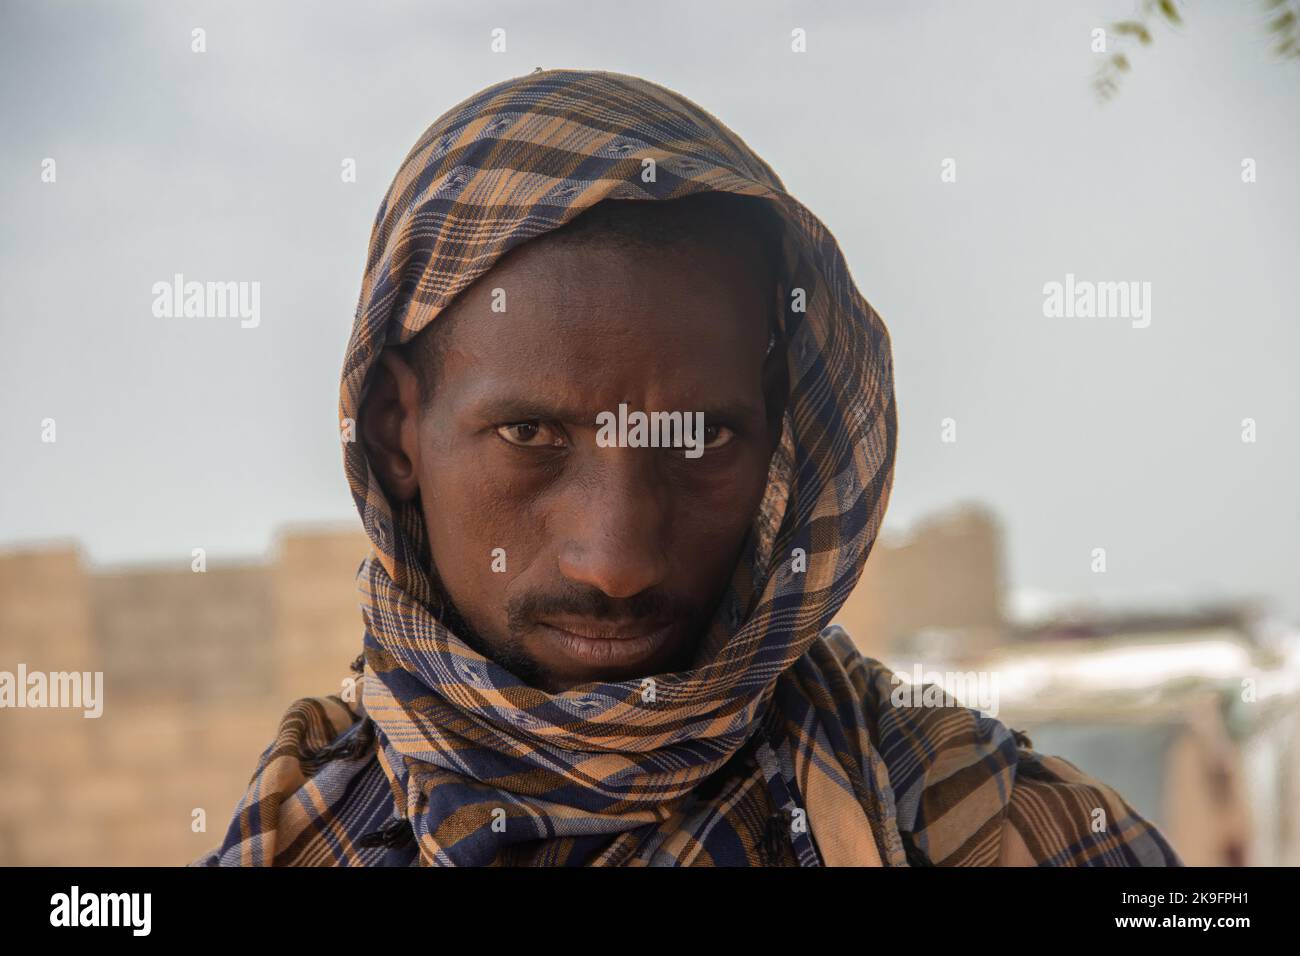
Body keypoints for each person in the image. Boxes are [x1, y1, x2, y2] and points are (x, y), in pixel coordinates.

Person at [196, 68, 1181, 867]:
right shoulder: (298, 834)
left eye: (699, 441)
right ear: (394, 433)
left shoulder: (997, 832)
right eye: (533, 436)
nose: (614, 559)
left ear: (779, 439)